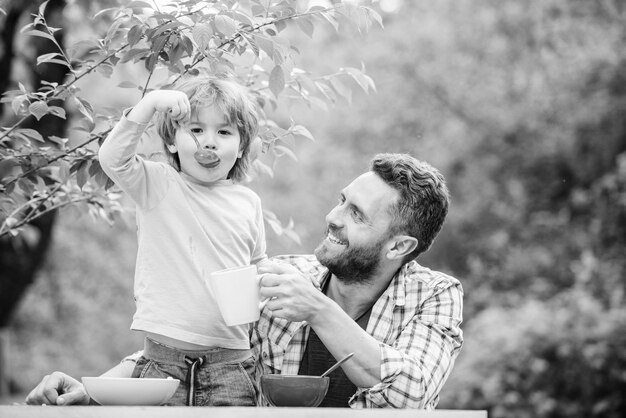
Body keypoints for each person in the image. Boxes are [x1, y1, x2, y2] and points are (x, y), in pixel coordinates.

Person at [25, 153, 463, 409]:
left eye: (356, 214)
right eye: (341, 201)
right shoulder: (283, 277)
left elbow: (411, 393)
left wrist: (316, 308)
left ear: (399, 247)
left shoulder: (435, 296)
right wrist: (93, 392)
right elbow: (193, 351)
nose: (332, 217)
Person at [96, 73, 266, 406]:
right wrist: (150, 104)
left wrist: (268, 282)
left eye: (224, 132)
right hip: (162, 365)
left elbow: (257, 265)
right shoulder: (158, 185)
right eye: (197, 130)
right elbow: (112, 159)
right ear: (173, 141)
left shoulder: (249, 202)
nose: (209, 142)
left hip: (231, 367)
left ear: (242, 145)